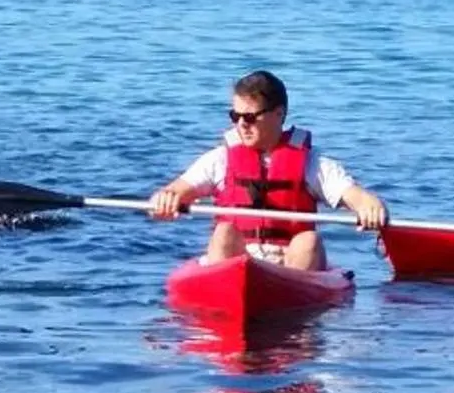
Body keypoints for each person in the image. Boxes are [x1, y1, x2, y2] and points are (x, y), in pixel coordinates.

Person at [145, 70, 389, 270]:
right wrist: (166, 199)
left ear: (278, 114)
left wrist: (370, 206)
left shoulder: (311, 163)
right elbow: (177, 190)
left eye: (250, 117)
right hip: (236, 260)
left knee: (308, 240)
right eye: (235, 116)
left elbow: (354, 195)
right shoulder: (219, 160)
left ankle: (293, 309)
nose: (241, 124)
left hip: (292, 262)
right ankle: (223, 303)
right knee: (223, 232)